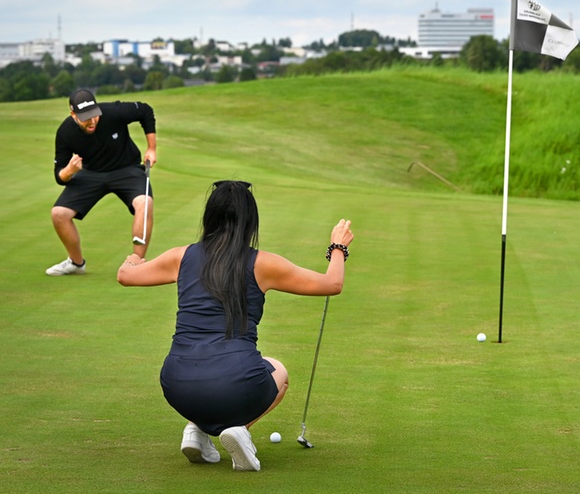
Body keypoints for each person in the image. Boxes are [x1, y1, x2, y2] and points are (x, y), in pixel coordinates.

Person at [117, 180, 354, 472]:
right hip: (237, 382)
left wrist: (133, 258)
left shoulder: (181, 256)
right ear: (249, 221)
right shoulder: (263, 263)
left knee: (216, 378)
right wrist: (338, 246)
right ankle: (239, 430)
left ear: (210, 217)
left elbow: (126, 275)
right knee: (278, 370)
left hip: (176, 383)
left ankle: (197, 431)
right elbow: (332, 283)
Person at [46, 88, 158, 276]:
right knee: (59, 214)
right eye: (86, 117)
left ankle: (137, 264)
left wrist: (151, 148)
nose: (92, 121)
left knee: (145, 203)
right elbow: (59, 176)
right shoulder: (65, 132)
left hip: (127, 168)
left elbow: (145, 111)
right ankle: (76, 263)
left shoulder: (113, 112)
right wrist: (69, 171)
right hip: (91, 173)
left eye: (94, 115)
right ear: (73, 114)